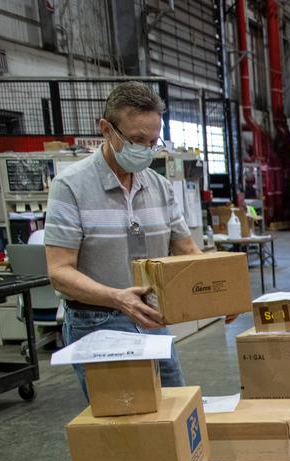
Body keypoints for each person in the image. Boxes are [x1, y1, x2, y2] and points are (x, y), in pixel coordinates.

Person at [45, 81, 201, 395]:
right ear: (106, 129)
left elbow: (186, 248)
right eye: (135, 140)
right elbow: (59, 272)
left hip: (151, 318)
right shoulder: (70, 187)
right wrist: (117, 298)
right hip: (97, 323)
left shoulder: (158, 186)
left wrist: (216, 289)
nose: (144, 150)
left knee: (178, 411)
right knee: (126, 425)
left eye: (152, 142)